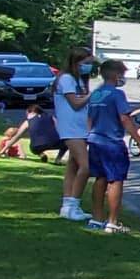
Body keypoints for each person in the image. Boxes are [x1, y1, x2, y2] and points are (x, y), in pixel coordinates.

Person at [83, 60, 140, 234]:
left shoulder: (96, 94)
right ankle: (112, 222)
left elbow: (89, 119)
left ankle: (96, 218)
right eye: (122, 74)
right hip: (112, 142)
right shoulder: (117, 94)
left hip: (95, 140)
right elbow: (125, 119)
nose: (123, 78)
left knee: (100, 179)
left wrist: (88, 137)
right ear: (115, 75)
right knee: (116, 180)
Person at [53, 45, 95, 220]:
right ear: (76, 62)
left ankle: (67, 204)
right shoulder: (66, 79)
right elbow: (75, 104)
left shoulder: (78, 80)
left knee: (73, 166)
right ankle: (74, 204)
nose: (89, 66)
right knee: (86, 167)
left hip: (80, 128)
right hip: (70, 129)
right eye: (86, 63)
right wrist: (93, 95)